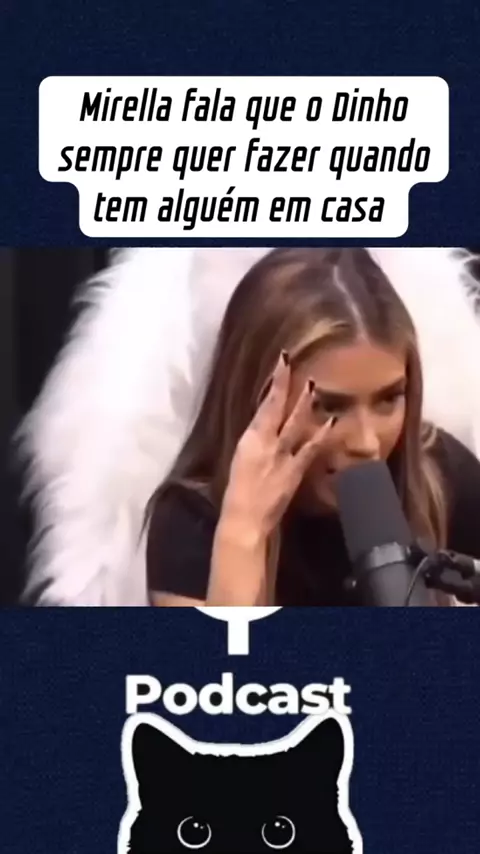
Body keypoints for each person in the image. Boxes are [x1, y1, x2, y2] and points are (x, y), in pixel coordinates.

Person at [146, 248, 480, 607]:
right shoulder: (191, 521)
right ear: (258, 399)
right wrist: (243, 536)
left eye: (388, 399)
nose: (367, 442)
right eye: (330, 407)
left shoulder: (436, 473)